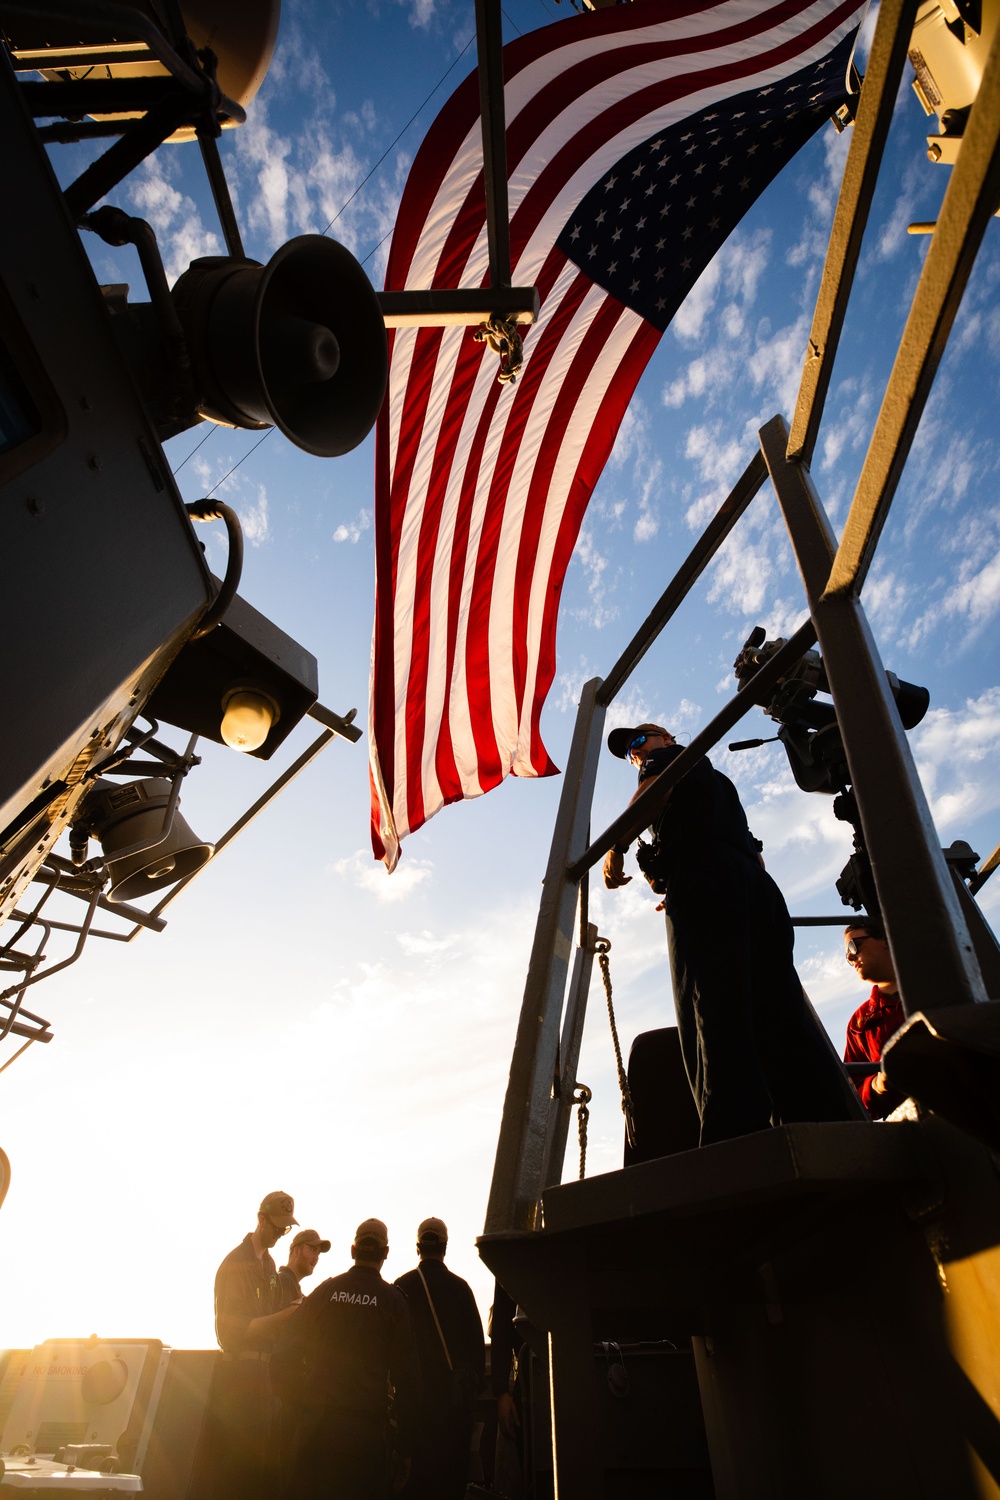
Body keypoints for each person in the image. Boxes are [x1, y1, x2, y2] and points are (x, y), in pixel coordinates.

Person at [603, 723, 853, 1145]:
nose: (635, 753)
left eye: (638, 740)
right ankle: (827, 1128)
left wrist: (617, 845)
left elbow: (657, 788)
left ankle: (733, 1144)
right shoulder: (714, 781)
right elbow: (752, 854)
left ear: (664, 736)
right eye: (629, 751)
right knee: (777, 1007)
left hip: (707, 880)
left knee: (711, 1006)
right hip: (751, 888)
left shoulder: (667, 760)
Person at [271, 1217, 419, 1500]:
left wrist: (299, 1404)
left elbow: (282, 1355)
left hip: (314, 1431)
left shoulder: (323, 1293)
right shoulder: (394, 1301)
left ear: (353, 1251)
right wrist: (406, 1448)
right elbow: (408, 1381)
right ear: (385, 1254)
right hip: (363, 1439)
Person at [203, 1190, 302, 1500]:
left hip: (264, 1380)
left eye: (286, 1229)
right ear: (261, 1220)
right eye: (277, 1227)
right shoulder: (235, 1264)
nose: (281, 1234)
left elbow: (268, 1320)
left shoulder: (270, 1265)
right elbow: (230, 1333)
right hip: (240, 1381)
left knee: (263, 1473)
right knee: (239, 1475)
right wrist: (288, 1315)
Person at [394, 1217, 485, 1500]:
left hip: (412, 1413)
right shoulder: (462, 1289)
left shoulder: (402, 1287)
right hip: (453, 1413)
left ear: (418, 1247)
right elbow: (477, 1355)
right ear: (445, 1247)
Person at [843, 918, 906, 1119]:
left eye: (854, 946)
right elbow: (854, 1099)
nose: (851, 958)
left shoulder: (942, 985)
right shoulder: (859, 1023)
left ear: (886, 940)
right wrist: (877, 1085)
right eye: (847, 955)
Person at [278, 1227, 331, 1304]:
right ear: (297, 1251)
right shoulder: (284, 1280)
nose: (316, 1258)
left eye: (318, 1253)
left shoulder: (292, 1284)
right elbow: (282, 1315)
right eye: (313, 1250)